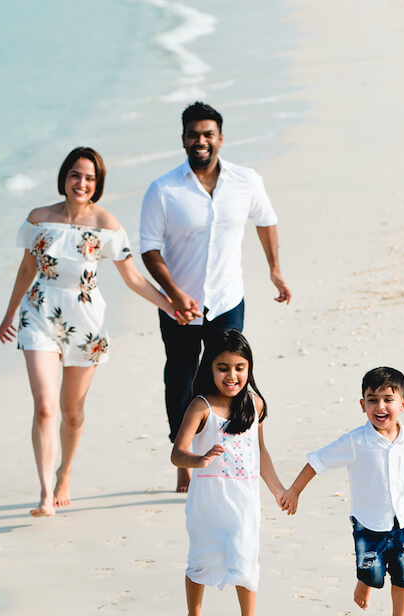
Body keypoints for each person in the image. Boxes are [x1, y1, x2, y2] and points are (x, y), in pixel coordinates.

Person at [0, 146, 187, 517]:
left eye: (89, 177)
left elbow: (133, 278)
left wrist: (171, 305)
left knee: (71, 410)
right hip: (39, 314)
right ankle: (45, 493)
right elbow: (25, 270)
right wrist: (8, 315)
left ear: (97, 183)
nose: (81, 183)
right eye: (75, 175)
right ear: (63, 177)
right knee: (45, 406)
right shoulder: (38, 218)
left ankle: (64, 473)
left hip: (85, 321)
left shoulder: (107, 224)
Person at [139, 102, 291, 492]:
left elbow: (266, 220)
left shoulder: (246, 180)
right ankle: (184, 455)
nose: (201, 141)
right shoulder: (163, 189)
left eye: (208, 134)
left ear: (220, 138)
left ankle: (228, 452)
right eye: (194, 134)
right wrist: (174, 293)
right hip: (179, 306)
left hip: (227, 300)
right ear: (184, 139)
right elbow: (150, 250)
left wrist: (274, 269)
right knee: (181, 377)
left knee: (225, 374)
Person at [279, 366, 404, 616]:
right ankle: (365, 582)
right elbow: (317, 461)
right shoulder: (355, 441)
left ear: (403, 404)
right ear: (362, 405)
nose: (381, 406)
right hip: (368, 525)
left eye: (388, 399)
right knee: (372, 572)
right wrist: (294, 491)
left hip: (403, 523)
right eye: (373, 399)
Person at [169, 330, 288, 616]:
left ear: (249, 368)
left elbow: (260, 452)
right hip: (208, 498)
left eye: (239, 367)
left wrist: (278, 490)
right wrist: (198, 459)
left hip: (245, 498)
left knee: (245, 558)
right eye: (223, 367)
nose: (232, 375)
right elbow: (177, 453)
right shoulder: (201, 406)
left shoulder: (255, 405)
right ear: (209, 367)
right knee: (201, 561)